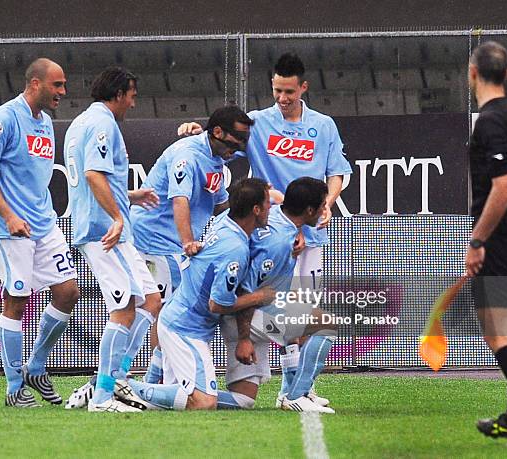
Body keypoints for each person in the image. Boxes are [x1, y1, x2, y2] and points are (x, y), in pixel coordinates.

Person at [178, 52, 352, 400]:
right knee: (283, 312)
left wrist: (328, 203)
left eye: (289, 92)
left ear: (303, 88)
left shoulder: (324, 125)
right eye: (277, 91)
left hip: (311, 232)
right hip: (271, 232)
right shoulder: (257, 123)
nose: (283, 99)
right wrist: (196, 131)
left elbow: (338, 172)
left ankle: (300, 387)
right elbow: (222, 144)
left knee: (304, 314)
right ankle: (290, 387)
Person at [63, 105, 253, 408]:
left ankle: (116, 380)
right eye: (237, 141)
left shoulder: (217, 156)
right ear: (218, 133)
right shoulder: (188, 155)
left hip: (171, 245)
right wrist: (189, 241)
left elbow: (220, 204)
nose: (240, 148)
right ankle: (124, 384)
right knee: (165, 313)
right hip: (157, 242)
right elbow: (180, 201)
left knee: (157, 308)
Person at [115, 178, 275, 410]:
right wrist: (259, 297)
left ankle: (129, 392)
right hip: (184, 329)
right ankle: (117, 387)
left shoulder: (224, 221)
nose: (271, 208)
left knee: (241, 402)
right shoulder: (235, 249)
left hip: (182, 323)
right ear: (256, 210)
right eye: (268, 203)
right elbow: (216, 305)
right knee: (203, 403)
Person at [0, 58, 80, 408]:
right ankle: (14, 386)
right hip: (10, 229)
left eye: (63, 85)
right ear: (35, 84)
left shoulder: (46, 123)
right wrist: (8, 216)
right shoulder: (4, 118)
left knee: (67, 291)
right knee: (17, 300)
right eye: (57, 85)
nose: (63, 92)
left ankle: (36, 367)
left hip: (44, 223)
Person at [63, 67, 162, 413]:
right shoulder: (103, 124)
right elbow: (92, 175)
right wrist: (118, 216)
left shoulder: (80, 123)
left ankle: (112, 378)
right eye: (132, 96)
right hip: (105, 232)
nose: (133, 104)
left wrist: (129, 198)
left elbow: (94, 179)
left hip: (106, 227)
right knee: (123, 310)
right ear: (119, 94)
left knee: (150, 301)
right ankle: (104, 395)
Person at [219, 177, 336, 413]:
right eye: (324, 205)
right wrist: (243, 338)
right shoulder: (278, 243)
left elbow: (274, 196)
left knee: (243, 401)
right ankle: (298, 394)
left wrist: (299, 230)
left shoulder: (272, 214)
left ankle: (182, 393)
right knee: (325, 324)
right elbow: (247, 290)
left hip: (248, 313)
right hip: (245, 318)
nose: (326, 210)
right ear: (310, 210)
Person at [464, 41, 507, 440]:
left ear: (473, 73)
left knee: (497, 329)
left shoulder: (491, 121)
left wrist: (478, 240)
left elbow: (504, 186)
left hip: (502, 238)